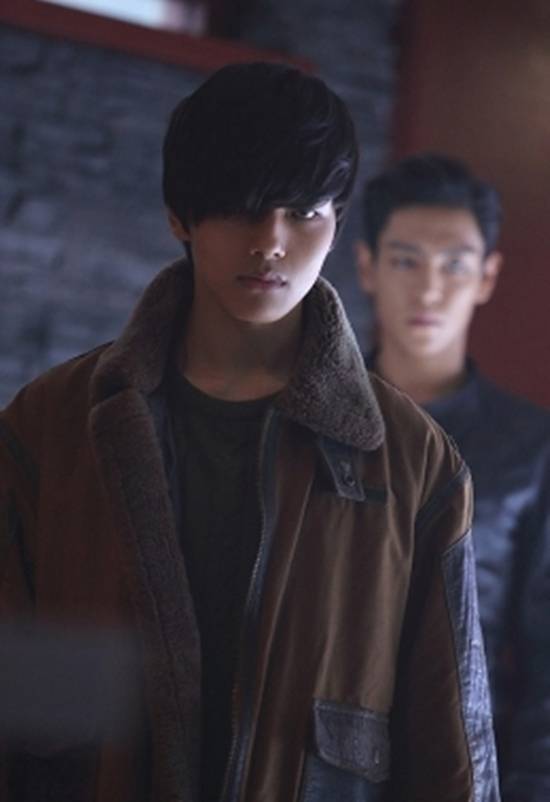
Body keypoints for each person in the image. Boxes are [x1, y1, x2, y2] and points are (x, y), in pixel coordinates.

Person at [0, 65, 499, 802]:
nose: (271, 242)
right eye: (243, 207)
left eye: (303, 213)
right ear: (181, 215)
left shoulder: (411, 460)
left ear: (337, 225)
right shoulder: (52, 425)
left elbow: (450, 750)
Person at [357, 151, 550, 802]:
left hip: (462, 766)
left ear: (487, 275)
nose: (430, 290)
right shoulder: (304, 417)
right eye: (406, 261)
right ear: (368, 266)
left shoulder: (531, 446)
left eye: (455, 265)